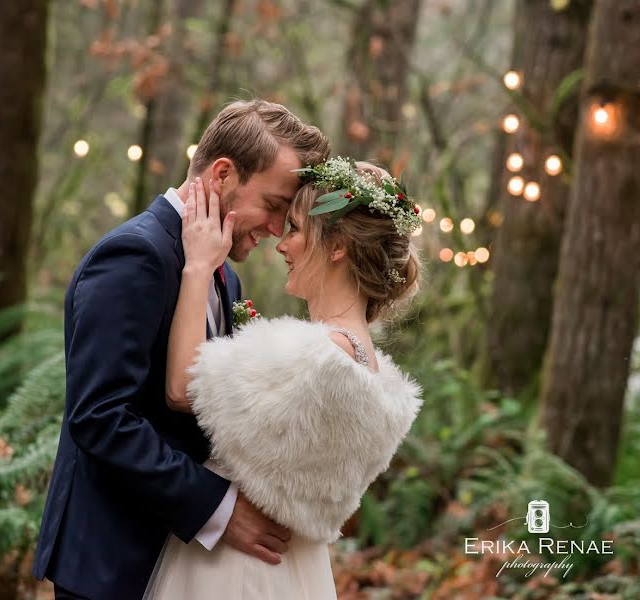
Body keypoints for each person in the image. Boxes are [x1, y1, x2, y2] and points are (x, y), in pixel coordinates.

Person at [32, 99, 329, 599]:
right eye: (275, 205)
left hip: (184, 566)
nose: (277, 229)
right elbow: (100, 418)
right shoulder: (135, 256)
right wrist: (219, 509)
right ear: (222, 174)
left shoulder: (223, 277)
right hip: (114, 563)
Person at [143, 157, 424, 598]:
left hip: (234, 572)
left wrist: (198, 268)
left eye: (294, 229)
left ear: (336, 247)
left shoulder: (312, 357)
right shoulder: (376, 376)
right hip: (299, 574)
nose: (281, 244)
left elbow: (182, 387)